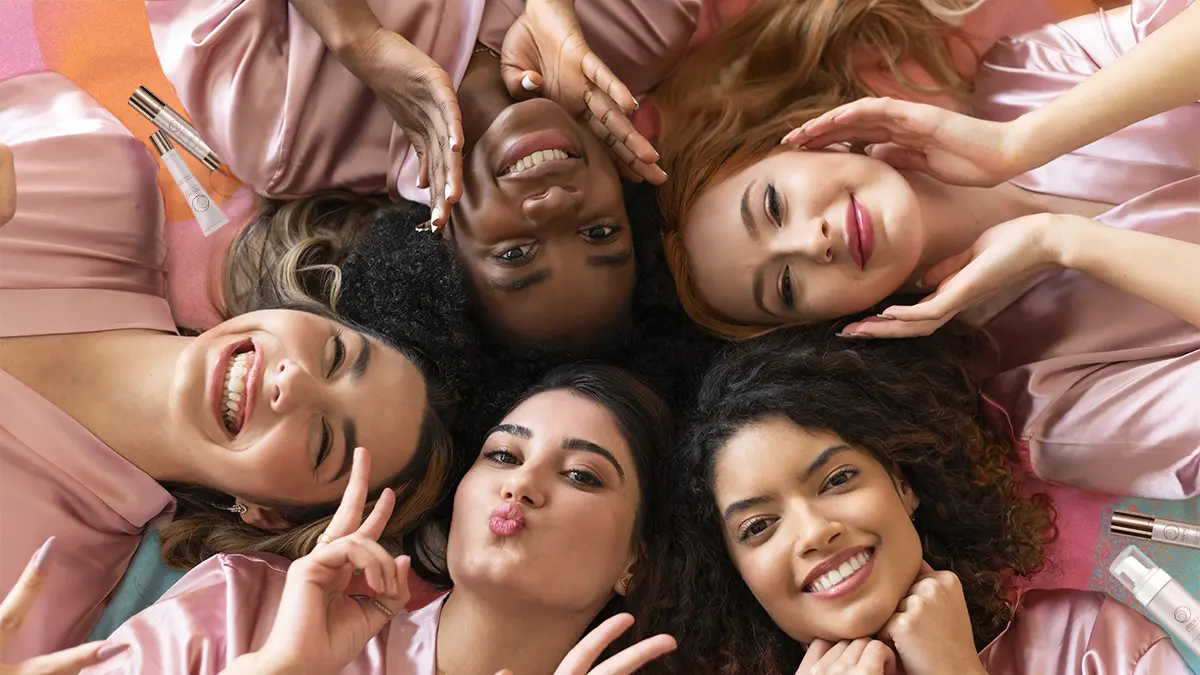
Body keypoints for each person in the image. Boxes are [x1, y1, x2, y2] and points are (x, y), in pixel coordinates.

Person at [655, 0, 1200, 499]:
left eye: (773, 204)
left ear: (801, 141)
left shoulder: (1022, 76)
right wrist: (1063, 241)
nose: (810, 242)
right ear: (830, 326)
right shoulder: (1047, 405)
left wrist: (1022, 143)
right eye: (787, 286)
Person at [0, 72, 454, 662]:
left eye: (322, 443)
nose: (293, 383)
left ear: (266, 514)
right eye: (337, 355)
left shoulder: (39, 592)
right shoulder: (87, 177)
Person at [629, 328, 1190, 674]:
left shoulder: (1090, 642)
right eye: (758, 527)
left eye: (837, 479)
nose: (812, 531)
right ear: (736, 574)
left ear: (904, 484)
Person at [148, 0, 701, 345]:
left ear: (439, 256)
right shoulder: (644, 21)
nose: (553, 207)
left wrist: (356, 39)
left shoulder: (282, 135)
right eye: (599, 232)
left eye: (516, 254)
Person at [84, 364, 679, 675]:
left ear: (635, 560)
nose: (520, 483)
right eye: (503, 454)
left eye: (580, 474)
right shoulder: (241, 605)